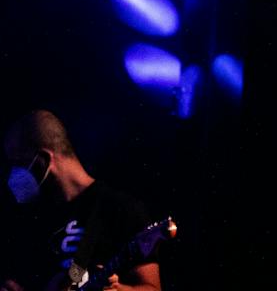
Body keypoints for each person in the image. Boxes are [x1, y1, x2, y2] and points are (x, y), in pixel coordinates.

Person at [1, 112, 160, 291]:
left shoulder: (120, 208)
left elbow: (152, 288)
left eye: (18, 162)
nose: (13, 174)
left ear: (42, 160)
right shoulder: (35, 219)